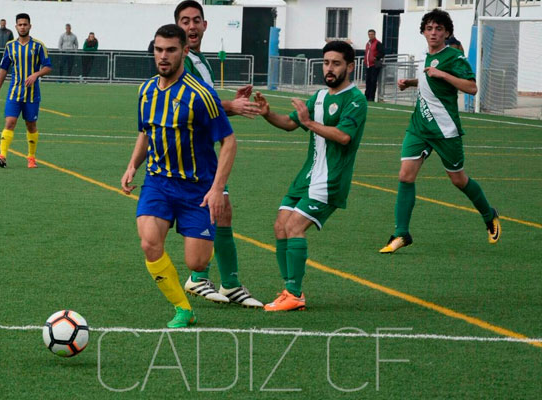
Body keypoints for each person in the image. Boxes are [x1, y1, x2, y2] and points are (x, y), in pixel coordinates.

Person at [120, 24, 237, 328]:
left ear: (184, 51)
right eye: (158, 50)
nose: (163, 56)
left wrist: (217, 189)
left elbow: (229, 141)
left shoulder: (201, 96)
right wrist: (133, 165)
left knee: (196, 262)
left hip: (198, 188)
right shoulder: (145, 91)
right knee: (149, 243)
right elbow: (146, 133)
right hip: (158, 182)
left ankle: (200, 280)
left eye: (170, 50)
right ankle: (183, 309)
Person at [254, 40, 367, 311]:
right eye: (326, 62)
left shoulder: (356, 100)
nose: (329, 68)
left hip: (331, 180)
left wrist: (309, 122)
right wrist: (268, 114)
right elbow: (291, 123)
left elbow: (343, 136)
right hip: (307, 176)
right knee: (280, 226)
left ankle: (295, 294)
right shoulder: (318, 97)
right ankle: (288, 289)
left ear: (350, 67)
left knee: (294, 227)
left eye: (336, 63)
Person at [379, 9, 500, 254]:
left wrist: (442, 73)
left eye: (439, 29)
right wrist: (410, 83)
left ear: (446, 33)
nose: (433, 33)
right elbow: (430, 81)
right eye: (429, 28)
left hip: (445, 129)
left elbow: (472, 88)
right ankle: (401, 233)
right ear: (423, 31)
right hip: (419, 127)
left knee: (458, 180)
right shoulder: (427, 55)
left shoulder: (454, 58)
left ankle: (489, 215)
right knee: (405, 176)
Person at [173, 0, 262, 308]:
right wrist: (230, 106)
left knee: (221, 210)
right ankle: (201, 278)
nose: (191, 26)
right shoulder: (182, 61)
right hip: (193, 154)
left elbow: (207, 106)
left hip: (203, 150)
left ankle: (228, 283)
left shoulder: (200, 60)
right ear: (177, 27)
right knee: (213, 207)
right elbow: (194, 103)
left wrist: (230, 105)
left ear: (205, 25)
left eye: (196, 20)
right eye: (185, 21)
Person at [0, 13, 52, 169]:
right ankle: (2, 155)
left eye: (25, 24)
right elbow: (4, 68)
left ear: (30, 26)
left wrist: (36, 74)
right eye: (20, 24)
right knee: (10, 122)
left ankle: (31, 158)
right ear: (16, 26)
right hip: (14, 92)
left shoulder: (38, 46)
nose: (23, 27)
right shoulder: (10, 46)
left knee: (31, 125)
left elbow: (48, 66)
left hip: (32, 94)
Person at [364, 29, 384, 101]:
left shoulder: (378, 43)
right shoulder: (367, 43)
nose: (370, 36)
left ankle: (371, 97)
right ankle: (366, 96)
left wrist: (376, 58)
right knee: (367, 81)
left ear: (374, 35)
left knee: (373, 81)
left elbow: (382, 52)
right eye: (369, 34)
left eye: (372, 34)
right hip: (368, 65)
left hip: (374, 65)